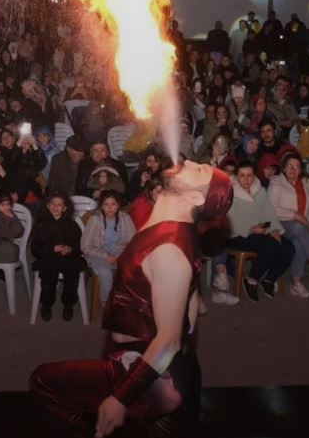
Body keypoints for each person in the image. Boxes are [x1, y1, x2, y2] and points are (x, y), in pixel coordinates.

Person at [30, 160, 233, 437]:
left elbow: (170, 339)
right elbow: (192, 301)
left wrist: (121, 398)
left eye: (198, 170)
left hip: (151, 373)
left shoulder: (169, 250)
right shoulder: (169, 226)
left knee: (43, 380)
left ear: (196, 197)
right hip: (137, 355)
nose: (188, 161)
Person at [223, 160, 292, 302]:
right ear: (236, 177)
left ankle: (269, 280)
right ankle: (252, 279)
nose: (246, 179)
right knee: (270, 246)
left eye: (249, 175)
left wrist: (274, 229)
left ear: (254, 176)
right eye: (242, 176)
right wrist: (252, 229)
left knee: (288, 247)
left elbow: (268, 210)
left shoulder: (258, 189)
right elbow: (228, 218)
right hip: (238, 234)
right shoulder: (229, 191)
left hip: (260, 232)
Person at [267, 153, 309, 297]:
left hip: (304, 227)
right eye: (290, 166)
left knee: (299, 241)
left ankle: (296, 283)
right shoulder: (276, 182)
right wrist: (295, 215)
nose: (293, 169)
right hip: (280, 223)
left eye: (297, 167)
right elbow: (272, 208)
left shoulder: (307, 182)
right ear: (284, 168)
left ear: (301, 169)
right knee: (299, 227)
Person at [31, 193, 85, 321]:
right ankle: (47, 303)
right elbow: (34, 249)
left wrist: (70, 249)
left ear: (65, 208)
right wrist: (51, 249)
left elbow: (80, 245)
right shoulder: (40, 225)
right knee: (49, 271)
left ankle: (68, 303)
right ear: (48, 205)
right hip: (48, 256)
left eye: (59, 204)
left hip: (68, 257)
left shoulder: (72, 225)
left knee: (72, 272)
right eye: (53, 204)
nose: (55, 207)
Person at [81, 191, 136, 306]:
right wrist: (106, 256)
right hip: (98, 253)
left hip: (119, 252)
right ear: (101, 206)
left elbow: (133, 241)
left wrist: (125, 248)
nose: (110, 208)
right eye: (106, 204)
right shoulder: (95, 219)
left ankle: (127, 301)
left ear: (118, 205)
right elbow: (85, 246)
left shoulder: (125, 217)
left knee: (133, 269)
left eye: (113, 204)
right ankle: (107, 303)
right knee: (105, 272)